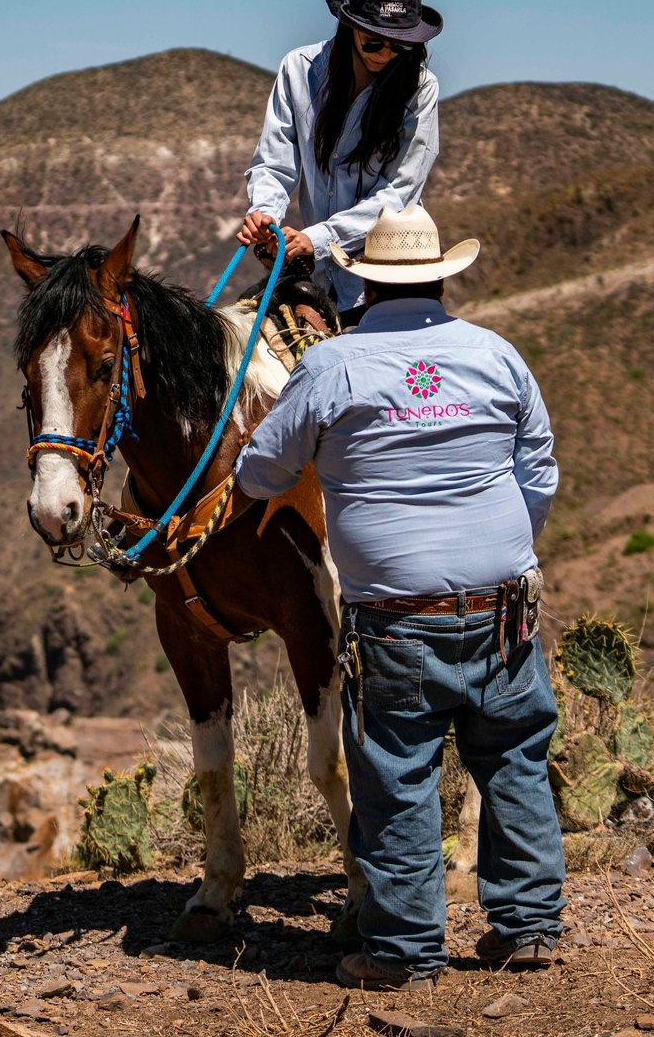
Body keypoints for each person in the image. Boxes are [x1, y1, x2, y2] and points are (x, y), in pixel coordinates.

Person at [231, 204, 565, 991]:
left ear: (366, 286)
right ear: (443, 279)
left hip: (396, 620)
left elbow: (260, 474)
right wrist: (495, 549)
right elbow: (539, 471)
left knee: (397, 775)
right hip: (504, 607)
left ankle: (407, 952)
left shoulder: (333, 367)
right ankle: (526, 927)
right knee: (514, 759)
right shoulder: (495, 354)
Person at [238, 0, 442, 322]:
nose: (385, 55)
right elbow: (274, 160)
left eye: (400, 45)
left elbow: (399, 193)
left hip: (383, 279)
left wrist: (319, 238)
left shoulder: (421, 89)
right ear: (350, 28)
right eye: (373, 41)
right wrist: (265, 213)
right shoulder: (299, 70)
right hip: (315, 277)